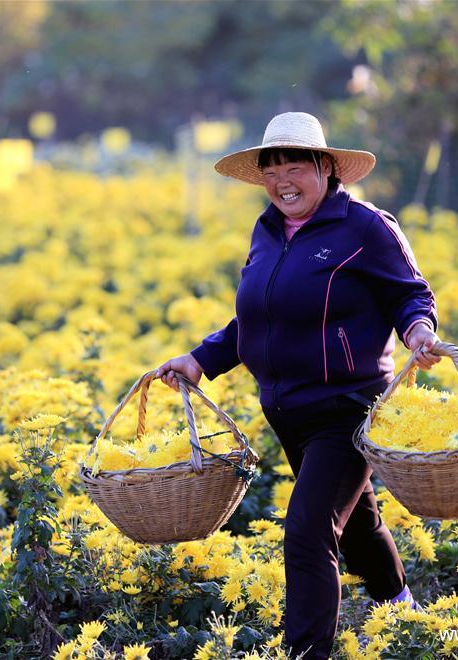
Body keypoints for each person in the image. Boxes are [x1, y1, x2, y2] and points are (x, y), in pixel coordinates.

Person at [155, 112, 440, 659]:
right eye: (271, 170)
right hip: (287, 411)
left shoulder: (365, 227)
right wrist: (200, 359)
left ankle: (306, 653)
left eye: (294, 167)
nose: (282, 181)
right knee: (356, 525)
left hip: (349, 407)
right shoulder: (266, 232)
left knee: (309, 531)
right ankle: (407, 616)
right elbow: (258, 317)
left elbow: (409, 293)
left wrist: (418, 331)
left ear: (326, 168)